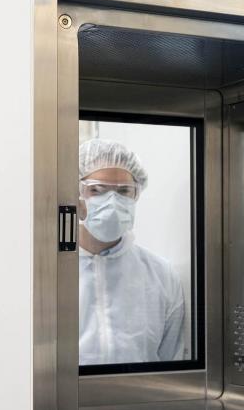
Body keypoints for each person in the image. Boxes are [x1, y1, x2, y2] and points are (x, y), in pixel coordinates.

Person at [78, 139, 186, 365]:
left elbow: (170, 363)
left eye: (123, 191)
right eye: (97, 190)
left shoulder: (161, 276)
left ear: (136, 194)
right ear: (77, 195)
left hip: (141, 390)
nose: (112, 202)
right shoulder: (49, 275)